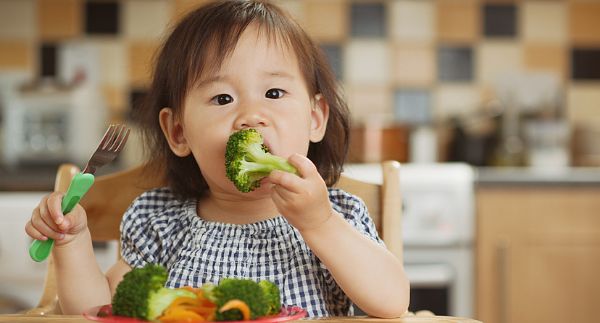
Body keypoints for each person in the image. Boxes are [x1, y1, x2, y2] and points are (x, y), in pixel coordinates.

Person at [25, 0, 409, 318]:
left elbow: (393, 303)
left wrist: (320, 223)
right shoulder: (160, 222)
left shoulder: (338, 215)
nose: (251, 116)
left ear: (315, 118)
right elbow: (101, 312)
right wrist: (72, 243)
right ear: (178, 132)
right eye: (222, 99)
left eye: (274, 93)